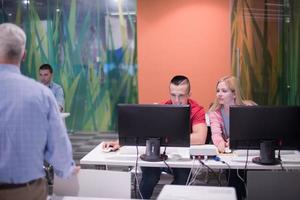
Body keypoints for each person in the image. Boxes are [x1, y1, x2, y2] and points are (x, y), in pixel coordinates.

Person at [0, 23, 79, 200]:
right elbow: (58, 146)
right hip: (24, 191)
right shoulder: (40, 94)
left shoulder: (53, 90)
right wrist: (67, 169)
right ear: (24, 55)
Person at [102, 75, 207, 199]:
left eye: (181, 96)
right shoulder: (162, 108)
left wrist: (165, 137)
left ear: (189, 94)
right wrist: (119, 142)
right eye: (173, 95)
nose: (177, 100)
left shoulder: (197, 110)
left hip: (180, 159)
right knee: (150, 177)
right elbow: (143, 131)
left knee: (184, 178)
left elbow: (200, 138)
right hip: (156, 154)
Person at [208, 75, 255, 200]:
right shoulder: (214, 112)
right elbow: (216, 134)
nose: (219, 94)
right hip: (230, 155)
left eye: (224, 91)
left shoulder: (249, 108)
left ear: (234, 94)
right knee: (234, 177)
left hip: (249, 153)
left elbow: (255, 132)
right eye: (218, 91)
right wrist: (220, 143)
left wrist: (236, 140)